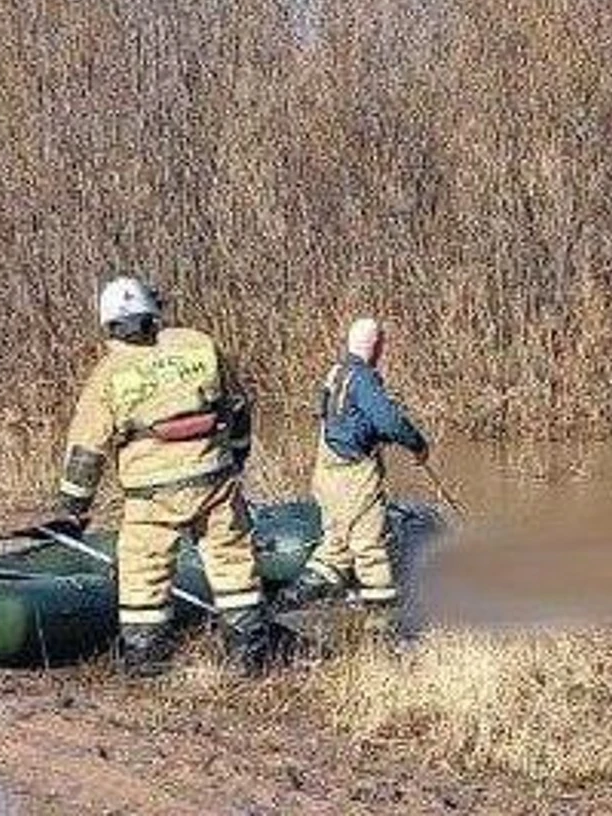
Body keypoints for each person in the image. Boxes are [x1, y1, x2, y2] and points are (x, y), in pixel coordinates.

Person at [48, 276, 271, 677]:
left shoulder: (109, 374)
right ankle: (250, 652)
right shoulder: (200, 345)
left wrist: (73, 508)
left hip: (153, 492)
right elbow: (237, 405)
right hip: (213, 477)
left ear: (109, 324)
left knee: (143, 571)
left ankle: (146, 659)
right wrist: (236, 456)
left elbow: (87, 448)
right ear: (154, 310)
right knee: (232, 560)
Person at [278, 317, 430, 623]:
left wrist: (372, 431)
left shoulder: (335, 373)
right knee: (370, 545)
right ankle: (383, 626)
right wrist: (417, 444)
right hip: (353, 473)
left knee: (335, 540)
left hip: (326, 471)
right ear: (377, 346)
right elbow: (388, 420)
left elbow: (329, 413)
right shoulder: (364, 379)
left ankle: (291, 599)